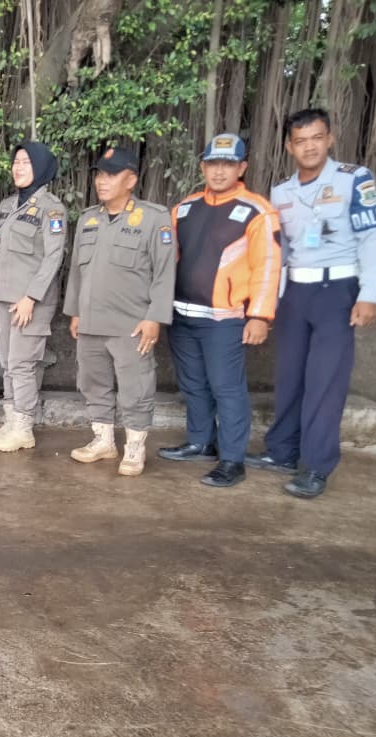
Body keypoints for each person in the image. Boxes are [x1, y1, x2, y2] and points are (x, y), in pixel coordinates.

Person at [246, 108, 376, 498]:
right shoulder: (281, 191)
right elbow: (280, 252)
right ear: (289, 146)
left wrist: (369, 293)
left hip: (336, 291)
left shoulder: (355, 179)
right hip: (295, 293)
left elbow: (371, 237)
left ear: (330, 139)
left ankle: (316, 466)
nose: (309, 147)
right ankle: (282, 452)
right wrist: (270, 302)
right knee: (290, 376)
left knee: (325, 381)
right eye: (301, 140)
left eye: (317, 138)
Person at [159, 134, 281, 487]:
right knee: (193, 384)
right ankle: (201, 442)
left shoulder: (258, 211)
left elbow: (268, 266)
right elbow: (167, 261)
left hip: (223, 320)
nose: (219, 171)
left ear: (242, 167)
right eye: (213, 163)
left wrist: (260, 316)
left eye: (228, 164)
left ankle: (232, 460)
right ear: (203, 167)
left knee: (226, 389)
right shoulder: (184, 209)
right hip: (181, 315)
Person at [63, 146, 176, 476]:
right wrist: (75, 312)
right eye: (99, 174)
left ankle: (135, 446)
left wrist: (155, 317)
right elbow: (76, 272)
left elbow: (164, 272)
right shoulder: (88, 219)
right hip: (91, 322)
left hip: (132, 324)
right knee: (92, 382)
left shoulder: (153, 218)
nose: (102, 180)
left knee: (135, 387)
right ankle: (103, 441)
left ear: (131, 180)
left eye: (111, 174)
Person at [0, 141, 67, 452]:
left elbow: (53, 256)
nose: (18, 167)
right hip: (4, 299)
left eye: (26, 162)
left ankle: (24, 428)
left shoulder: (52, 208)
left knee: (22, 364)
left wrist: (31, 297)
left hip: (31, 303)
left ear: (42, 168)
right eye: (16, 161)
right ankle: (11, 421)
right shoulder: (7, 206)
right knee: (8, 363)